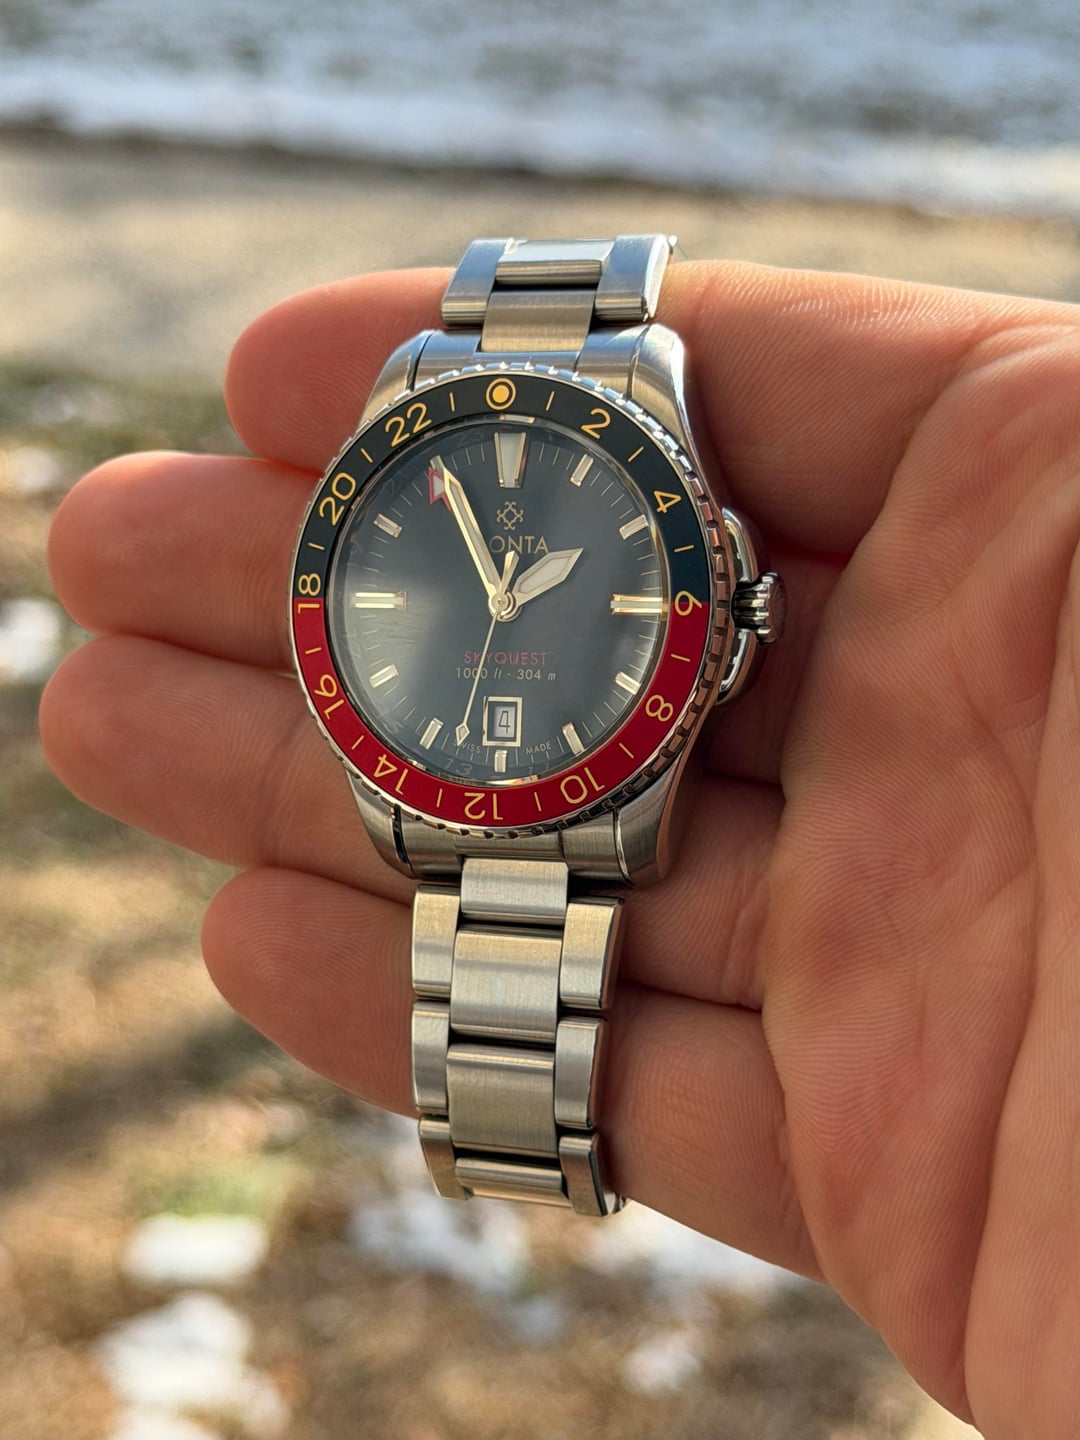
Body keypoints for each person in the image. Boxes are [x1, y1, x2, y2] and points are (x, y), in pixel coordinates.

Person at [40, 259, 1080, 1437]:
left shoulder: (646, 384)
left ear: (735, 615)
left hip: (569, 774)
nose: (503, 607)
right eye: (500, 593)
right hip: (433, 774)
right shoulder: (439, 452)